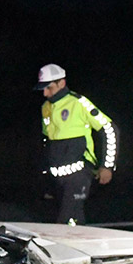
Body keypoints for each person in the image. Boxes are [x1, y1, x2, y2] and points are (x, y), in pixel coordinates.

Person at [36, 63, 117, 225]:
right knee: (73, 220)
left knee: (66, 220)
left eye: (49, 88)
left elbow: (109, 129)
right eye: (42, 89)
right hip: (56, 176)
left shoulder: (79, 103)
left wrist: (107, 166)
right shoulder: (46, 107)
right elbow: (47, 140)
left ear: (62, 83)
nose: (45, 93)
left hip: (78, 173)